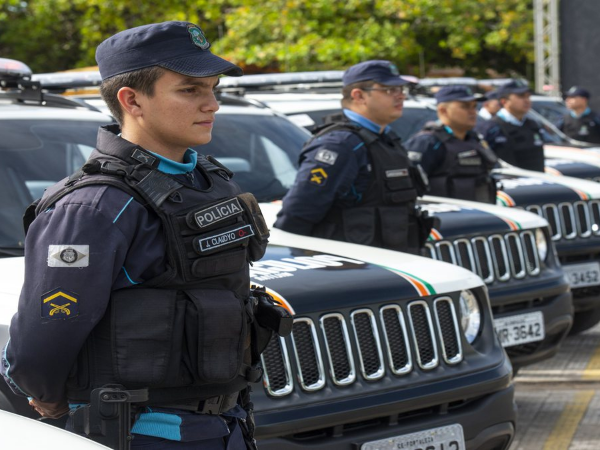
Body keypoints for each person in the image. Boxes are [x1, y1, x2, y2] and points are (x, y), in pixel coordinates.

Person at [1, 21, 277, 450]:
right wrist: (47, 395)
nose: (212, 104)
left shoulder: (209, 181)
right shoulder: (94, 206)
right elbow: (46, 333)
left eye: (213, 88)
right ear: (132, 101)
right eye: (190, 90)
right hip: (144, 432)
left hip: (228, 423)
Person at [274, 60, 431, 255]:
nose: (401, 95)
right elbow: (297, 215)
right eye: (389, 89)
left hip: (392, 262)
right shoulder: (341, 145)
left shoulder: (386, 139)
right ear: (359, 96)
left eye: (401, 89)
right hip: (353, 267)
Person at [404, 86, 498, 204]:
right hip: (445, 213)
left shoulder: (475, 139)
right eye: (465, 106)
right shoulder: (428, 142)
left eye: (474, 106)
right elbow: (410, 187)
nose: (473, 112)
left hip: (480, 211)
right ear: (443, 110)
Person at [476, 79, 545, 172]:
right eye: (521, 96)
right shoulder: (490, 128)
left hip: (536, 179)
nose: (527, 100)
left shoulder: (533, 124)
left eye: (528, 96)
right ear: (504, 101)